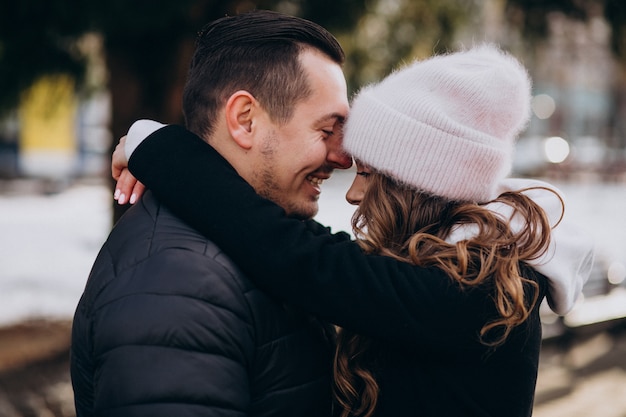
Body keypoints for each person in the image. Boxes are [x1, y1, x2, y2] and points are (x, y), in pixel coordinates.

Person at [114, 45, 594, 417]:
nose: (352, 195)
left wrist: (156, 145)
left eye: (366, 174)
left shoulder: (466, 295)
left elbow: (292, 254)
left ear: (413, 186)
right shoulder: (471, 273)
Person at [70, 10, 354, 417]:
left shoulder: (253, 244)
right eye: (326, 131)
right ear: (245, 120)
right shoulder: (177, 281)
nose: (343, 158)